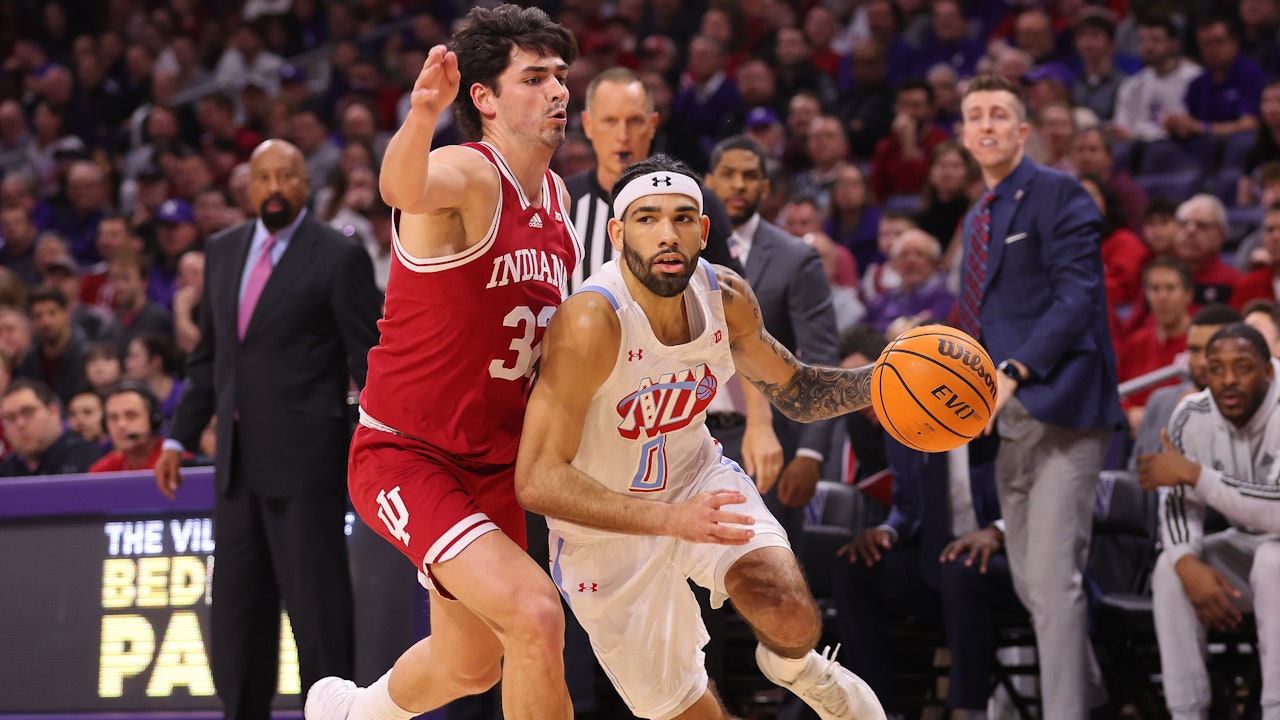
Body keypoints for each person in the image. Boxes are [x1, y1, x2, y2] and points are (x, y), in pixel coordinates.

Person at [516, 153, 886, 720]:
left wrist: (883, 384)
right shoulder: (592, 321)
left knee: (791, 613)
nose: (668, 233)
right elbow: (537, 480)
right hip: (603, 532)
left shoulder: (726, 297)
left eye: (683, 217)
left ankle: (799, 672)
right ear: (617, 233)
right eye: (648, 218)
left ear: (704, 229)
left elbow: (799, 390)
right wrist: (666, 521)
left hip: (696, 481)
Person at [305, 7, 579, 720]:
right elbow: (404, 188)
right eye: (535, 77)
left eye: (560, 76)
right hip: (408, 454)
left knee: (471, 665)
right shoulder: (467, 174)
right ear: (484, 98)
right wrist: (423, 113)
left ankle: (352, 714)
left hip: (494, 465)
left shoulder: (557, 198)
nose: (558, 92)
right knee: (535, 616)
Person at [153, 138, 382, 720]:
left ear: (306, 184)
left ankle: (334, 715)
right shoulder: (223, 250)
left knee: (317, 612)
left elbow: (367, 357)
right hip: (235, 467)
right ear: (248, 187)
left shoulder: (335, 254)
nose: (275, 188)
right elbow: (209, 359)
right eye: (264, 178)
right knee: (236, 615)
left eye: (287, 176)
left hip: (307, 465)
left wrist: (377, 440)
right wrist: (179, 437)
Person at [957, 74, 1125, 720]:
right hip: (1005, 419)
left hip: (1063, 407)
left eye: (1000, 114)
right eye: (976, 116)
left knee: (1053, 585)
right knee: (1031, 583)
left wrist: (1016, 369)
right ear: (967, 134)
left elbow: (1078, 296)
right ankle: (1097, 698)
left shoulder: (1061, 195)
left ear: (1023, 131)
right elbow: (977, 317)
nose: (988, 125)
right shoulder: (978, 216)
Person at [1135, 324, 1280, 717]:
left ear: (1269, 370)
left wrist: (1196, 475)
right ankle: (1186, 712)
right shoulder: (1191, 415)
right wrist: (1186, 562)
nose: (1228, 380)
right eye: (1216, 368)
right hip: (1250, 551)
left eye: (1243, 368)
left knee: (1272, 559)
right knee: (1169, 567)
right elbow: (1178, 503)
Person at [703, 134, 841, 538]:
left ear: (765, 188)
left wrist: (811, 453)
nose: (739, 185)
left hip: (768, 437)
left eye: (750, 176)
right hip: (689, 432)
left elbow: (821, 358)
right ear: (709, 183)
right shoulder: (679, 248)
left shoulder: (796, 257)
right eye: (728, 175)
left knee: (770, 575)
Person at [834, 432, 1018, 720]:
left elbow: (1036, 494)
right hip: (933, 562)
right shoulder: (909, 422)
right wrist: (885, 532)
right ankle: (877, 710)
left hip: (1005, 560)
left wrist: (998, 531)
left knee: (960, 570)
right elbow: (906, 506)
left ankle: (968, 710)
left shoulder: (1001, 417)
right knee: (855, 568)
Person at [565, 66, 740, 292]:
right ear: (588, 125)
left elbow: (735, 297)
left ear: (653, 125)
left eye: (635, 121)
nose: (623, 135)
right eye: (610, 121)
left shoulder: (694, 201)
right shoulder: (561, 201)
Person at [0, 378, 103, 476]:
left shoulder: (85, 457)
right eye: (10, 418)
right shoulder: (8, 468)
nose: (20, 424)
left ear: (54, 412)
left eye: (28, 412)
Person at [90, 381, 167, 472]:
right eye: (113, 418)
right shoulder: (102, 472)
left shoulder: (178, 464)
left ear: (153, 419)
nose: (121, 425)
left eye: (131, 416)